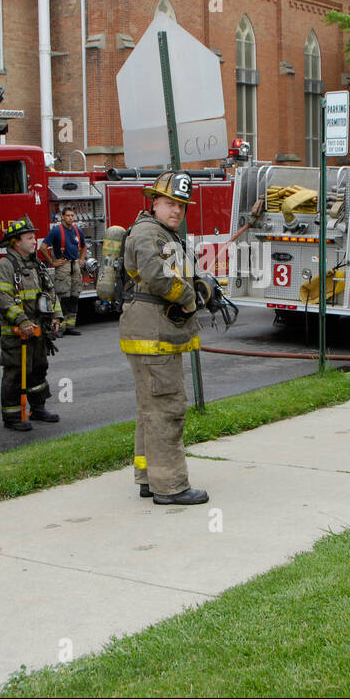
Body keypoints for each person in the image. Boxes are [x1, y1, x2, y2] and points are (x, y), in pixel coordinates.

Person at [121, 171, 209, 506]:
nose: (176, 210)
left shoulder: (162, 233)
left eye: (181, 205)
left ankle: (149, 477)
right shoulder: (148, 233)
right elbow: (157, 277)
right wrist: (190, 298)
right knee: (167, 408)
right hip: (152, 336)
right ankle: (170, 486)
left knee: (150, 408)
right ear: (153, 202)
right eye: (170, 203)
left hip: (153, 334)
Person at [0, 215, 62, 431]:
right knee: (15, 372)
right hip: (17, 334)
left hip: (38, 331)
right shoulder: (4, 266)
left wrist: (56, 315)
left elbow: (50, 291)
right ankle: (12, 417)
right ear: (15, 242)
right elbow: (2, 299)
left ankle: (38, 408)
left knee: (38, 369)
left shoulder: (36, 265)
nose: (34, 242)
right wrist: (21, 321)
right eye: (29, 238)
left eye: (34, 237)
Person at [39, 206, 87, 335]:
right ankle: (60, 327)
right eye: (68, 216)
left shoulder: (77, 230)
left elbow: (84, 245)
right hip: (63, 265)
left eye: (72, 215)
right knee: (63, 296)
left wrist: (82, 259)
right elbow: (43, 247)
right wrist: (52, 262)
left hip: (75, 265)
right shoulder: (56, 231)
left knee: (74, 296)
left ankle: (71, 326)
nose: (71, 218)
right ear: (62, 217)